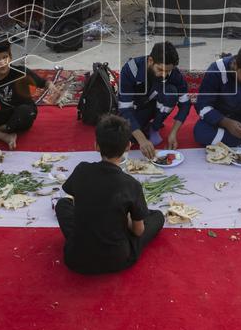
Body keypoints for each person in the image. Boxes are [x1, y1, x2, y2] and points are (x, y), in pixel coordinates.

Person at [55, 115, 164, 275]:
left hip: (75, 258)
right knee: (157, 217)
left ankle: (84, 241)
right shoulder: (131, 184)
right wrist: (126, 217)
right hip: (117, 259)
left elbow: (80, 203)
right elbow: (138, 231)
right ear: (128, 146)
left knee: (62, 205)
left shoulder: (81, 169)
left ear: (96, 146)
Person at [118, 41, 192, 159]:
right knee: (125, 138)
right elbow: (125, 108)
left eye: (167, 71)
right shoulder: (131, 69)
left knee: (171, 93)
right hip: (135, 109)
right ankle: (144, 127)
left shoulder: (173, 73)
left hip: (155, 106)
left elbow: (186, 104)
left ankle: (154, 127)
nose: (164, 75)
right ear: (151, 61)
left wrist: (173, 133)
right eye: (160, 69)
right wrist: (142, 139)